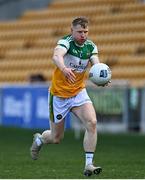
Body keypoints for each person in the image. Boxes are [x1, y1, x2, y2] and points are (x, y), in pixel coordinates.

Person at [30, 16, 105, 177]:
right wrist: (63, 68)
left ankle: (89, 165)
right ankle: (39, 140)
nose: (83, 35)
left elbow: (96, 65)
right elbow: (57, 56)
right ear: (72, 31)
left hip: (78, 92)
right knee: (56, 138)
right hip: (59, 95)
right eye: (79, 32)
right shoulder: (65, 43)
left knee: (92, 123)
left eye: (85, 31)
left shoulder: (90, 47)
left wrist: (101, 76)